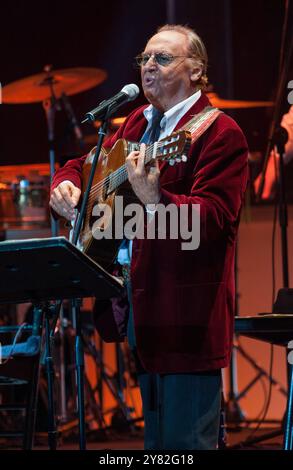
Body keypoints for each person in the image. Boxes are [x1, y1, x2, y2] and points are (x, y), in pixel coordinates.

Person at [50, 24, 249, 450]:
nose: (148, 67)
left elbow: (214, 223)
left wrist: (157, 200)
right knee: (157, 448)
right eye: (144, 59)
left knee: (187, 447)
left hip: (186, 318)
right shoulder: (137, 121)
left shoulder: (220, 133)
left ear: (196, 70)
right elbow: (83, 165)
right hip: (138, 310)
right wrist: (64, 187)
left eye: (162, 58)